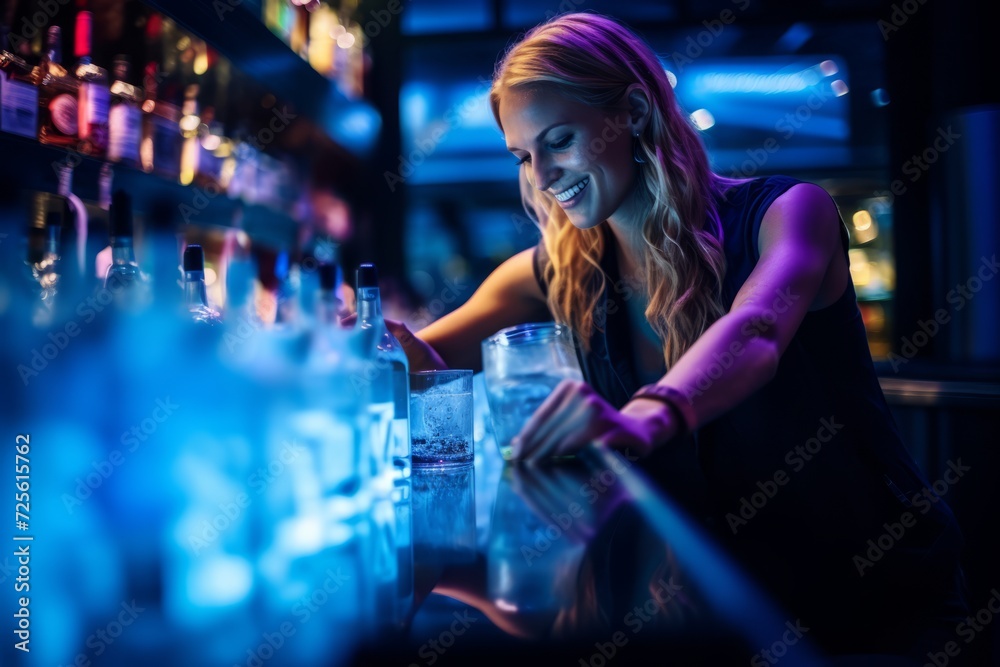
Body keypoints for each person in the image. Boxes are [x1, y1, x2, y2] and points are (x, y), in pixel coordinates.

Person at [379, 11, 970, 662]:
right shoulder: (555, 271)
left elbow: (758, 331)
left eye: (559, 140)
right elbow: (414, 361)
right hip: (720, 608)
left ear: (631, 112)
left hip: (870, 605)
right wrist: (364, 345)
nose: (542, 176)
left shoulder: (789, 213)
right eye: (524, 155)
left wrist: (645, 418)